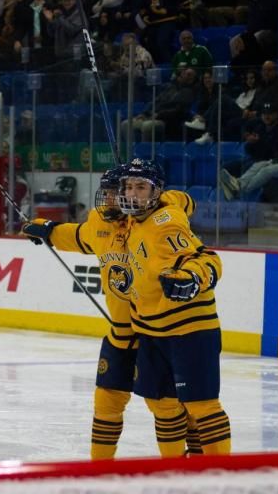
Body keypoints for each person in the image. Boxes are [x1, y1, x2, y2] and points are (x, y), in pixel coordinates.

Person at [22, 167, 202, 459]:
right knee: (106, 400)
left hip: (153, 331)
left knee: (165, 404)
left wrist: (160, 199)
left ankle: (178, 466)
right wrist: (49, 230)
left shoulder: (151, 219)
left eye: (111, 194)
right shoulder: (98, 223)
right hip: (119, 334)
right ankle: (100, 469)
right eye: (103, 194)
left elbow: (187, 203)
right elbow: (79, 236)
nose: (105, 200)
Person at [114, 158, 230, 456]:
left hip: (190, 330)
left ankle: (225, 475)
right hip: (151, 332)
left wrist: (191, 277)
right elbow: (183, 199)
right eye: (129, 186)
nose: (132, 193)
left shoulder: (166, 225)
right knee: (161, 404)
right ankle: (175, 469)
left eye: (141, 187)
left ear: (155, 192)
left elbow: (206, 258)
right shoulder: (136, 217)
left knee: (201, 404)